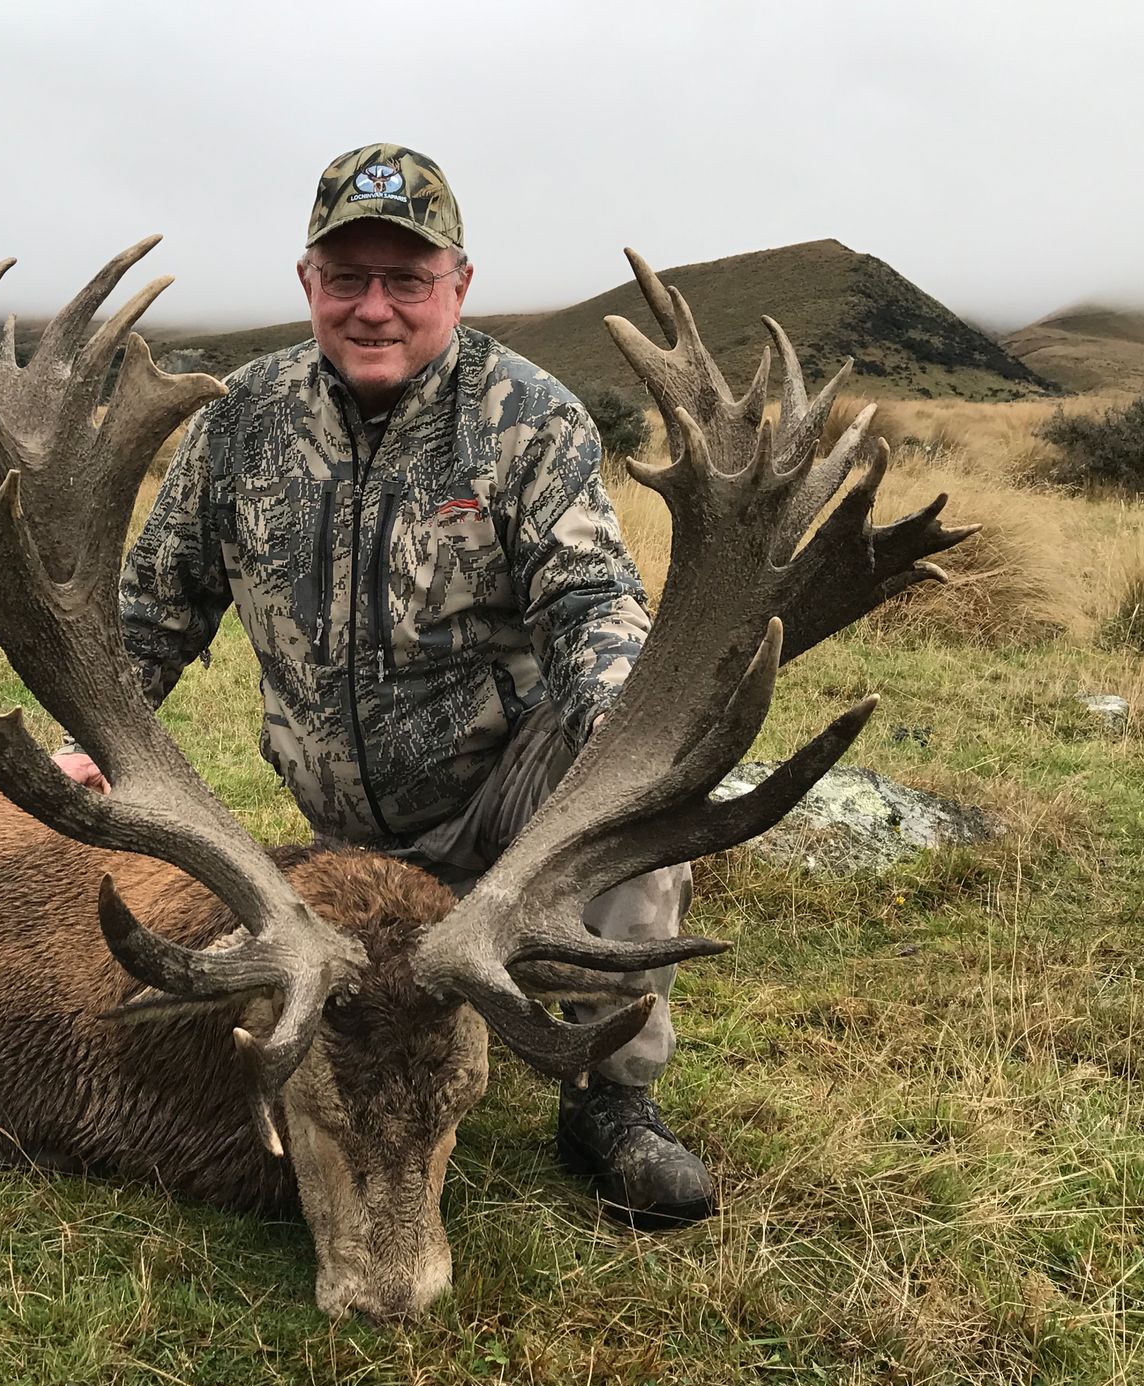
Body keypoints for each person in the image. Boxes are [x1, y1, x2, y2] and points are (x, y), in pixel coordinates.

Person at [55, 143, 714, 1228]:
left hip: (507, 794)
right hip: (344, 835)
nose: (376, 308)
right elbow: (152, 611)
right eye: (348, 278)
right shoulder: (240, 422)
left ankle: (612, 1096)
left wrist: (621, 721)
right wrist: (94, 735)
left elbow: (593, 601)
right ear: (307, 283)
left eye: (407, 280)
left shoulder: (527, 421)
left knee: (637, 789)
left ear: (457, 285)